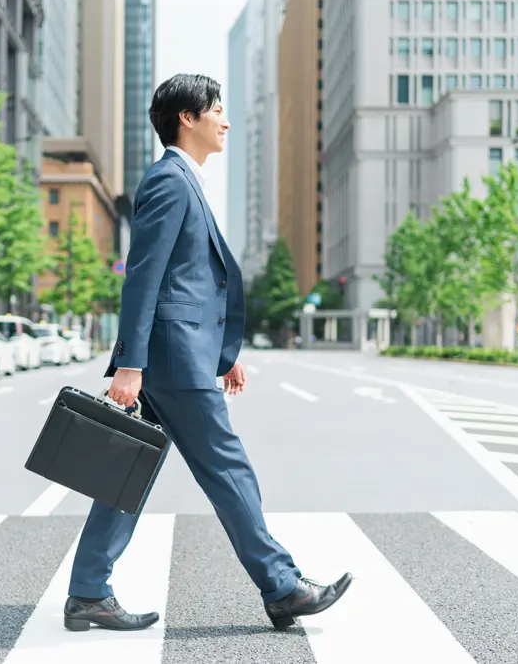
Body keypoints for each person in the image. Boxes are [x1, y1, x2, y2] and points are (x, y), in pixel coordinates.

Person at [62, 73, 351, 633]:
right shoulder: (171, 180)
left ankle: (87, 592)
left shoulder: (183, 180)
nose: (225, 118)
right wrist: (130, 363)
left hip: (179, 356)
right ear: (186, 118)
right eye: (216, 108)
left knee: (127, 470)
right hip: (169, 361)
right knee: (228, 469)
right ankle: (282, 586)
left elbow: (188, 282)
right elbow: (144, 278)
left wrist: (221, 353)